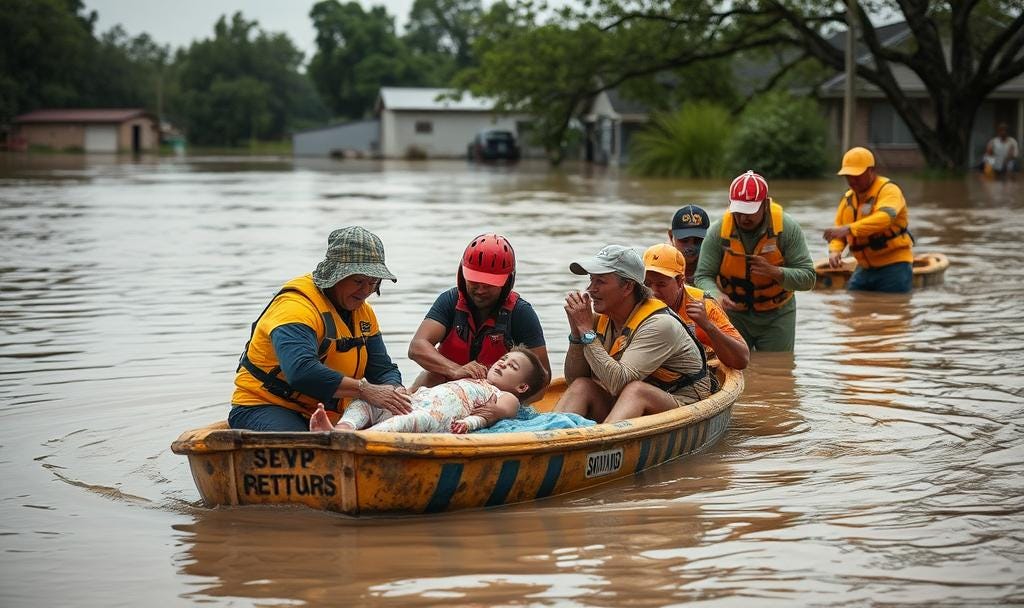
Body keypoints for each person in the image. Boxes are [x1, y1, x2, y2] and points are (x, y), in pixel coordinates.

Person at [228, 226, 412, 432]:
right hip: (266, 407)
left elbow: (383, 369)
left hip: (326, 412)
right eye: (359, 281)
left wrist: (395, 391)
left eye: (374, 282)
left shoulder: (364, 313)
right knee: (305, 446)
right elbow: (300, 371)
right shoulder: (295, 307)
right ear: (335, 276)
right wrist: (364, 389)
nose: (367, 291)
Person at [554, 244, 712, 423]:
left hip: (683, 404)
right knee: (583, 386)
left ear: (628, 287)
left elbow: (618, 384)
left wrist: (586, 332)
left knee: (636, 390)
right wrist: (576, 334)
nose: (591, 289)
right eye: (591, 280)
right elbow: (574, 378)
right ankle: (548, 436)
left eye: (601, 281)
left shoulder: (660, 325)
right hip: (627, 404)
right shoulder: (601, 320)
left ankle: (600, 443)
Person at [407, 233, 550, 391]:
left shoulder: (521, 313)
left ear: (507, 282)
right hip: (448, 390)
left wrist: (508, 402)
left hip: (496, 396)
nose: (480, 290)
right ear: (462, 274)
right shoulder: (449, 300)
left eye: (489, 284)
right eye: (474, 281)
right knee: (430, 375)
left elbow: (543, 377)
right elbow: (417, 347)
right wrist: (455, 370)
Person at [693, 170, 816, 352]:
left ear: (765, 204)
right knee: (733, 366)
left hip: (777, 314)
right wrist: (715, 296)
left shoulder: (787, 229)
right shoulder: (718, 232)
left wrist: (775, 272)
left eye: (749, 211)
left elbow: (809, 278)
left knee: (776, 370)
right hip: (734, 313)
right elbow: (703, 275)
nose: (743, 218)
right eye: (739, 211)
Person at [310, 347, 548, 434]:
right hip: (417, 401)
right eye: (503, 358)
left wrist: (477, 420)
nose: (502, 363)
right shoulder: (476, 380)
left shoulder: (504, 396)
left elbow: (504, 411)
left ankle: (355, 438)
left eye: (512, 366)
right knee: (367, 401)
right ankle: (342, 427)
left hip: (435, 417)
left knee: (408, 421)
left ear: (522, 387)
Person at [642, 243, 750, 370]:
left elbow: (742, 361)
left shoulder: (703, 305)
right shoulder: (638, 299)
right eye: (647, 283)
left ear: (680, 282)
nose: (653, 292)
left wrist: (708, 326)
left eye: (661, 284)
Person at [823, 147, 914, 293]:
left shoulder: (889, 190)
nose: (852, 180)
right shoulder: (848, 199)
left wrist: (849, 229)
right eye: (848, 176)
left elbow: (885, 217)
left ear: (871, 171)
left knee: (893, 310)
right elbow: (838, 233)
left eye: (857, 175)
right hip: (864, 268)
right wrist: (834, 251)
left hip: (894, 267)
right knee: (853, 307)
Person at [668, 204, 710, 285]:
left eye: (698, 240)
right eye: (684, 240)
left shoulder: (716, 264)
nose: (691, 246)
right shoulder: (659, 263)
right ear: (671, 236)